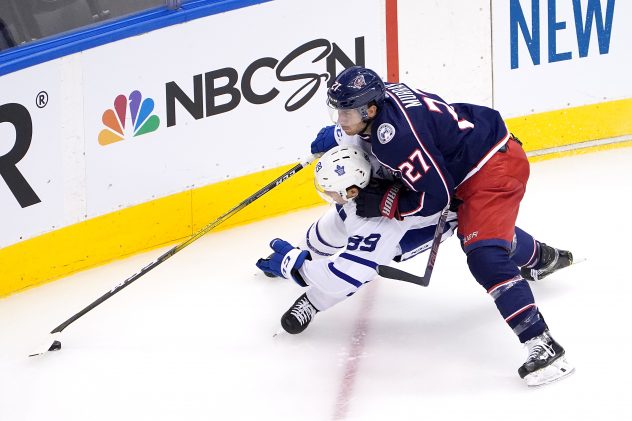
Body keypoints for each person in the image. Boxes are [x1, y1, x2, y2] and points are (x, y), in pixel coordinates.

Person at [257, 66, 576, 387]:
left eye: (346, 114)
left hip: (491, 167)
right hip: (463, 160)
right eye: (336, 112)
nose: (340, 119)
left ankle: (545, 346)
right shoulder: (379, 103)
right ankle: (541, 259)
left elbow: (436, 198)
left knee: (484, 254)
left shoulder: (394, 139)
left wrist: (385, 203)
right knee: (476, 228)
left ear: (370, 110)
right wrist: (341, 134)